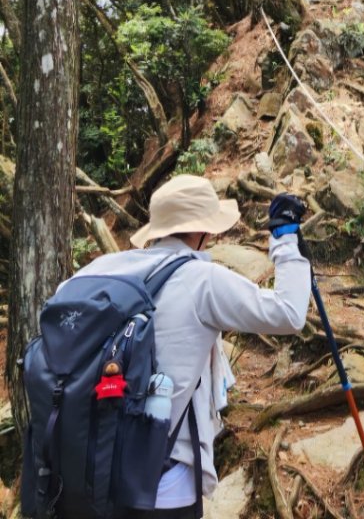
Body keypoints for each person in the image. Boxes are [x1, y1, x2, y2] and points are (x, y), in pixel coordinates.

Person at [76, 172, 311, 519]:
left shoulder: (100, 271)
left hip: (92, 469)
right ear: (203, 231)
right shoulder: (201, 280)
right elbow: (289, 314)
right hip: (163, 486)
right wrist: (286, 241)